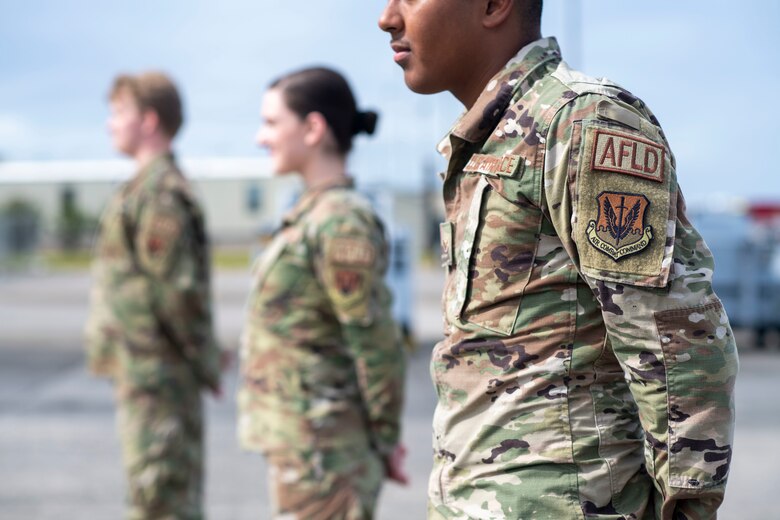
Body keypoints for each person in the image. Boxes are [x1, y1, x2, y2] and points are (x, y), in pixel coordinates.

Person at [379, 1, 738, 518]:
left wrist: (688, 506)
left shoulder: (582, 122)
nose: (388, 18)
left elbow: (675, 337)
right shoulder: (491, 138)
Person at [238, 67, 408, 519]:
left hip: (326, 452)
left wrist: (386, 439)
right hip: (307, 446)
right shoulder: (312, 213)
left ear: (313, 128)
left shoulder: (340, 221)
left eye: (272, 123)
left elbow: (374, 342)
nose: (261, 137)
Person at [84, 71, 223, 520]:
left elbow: (176, 292)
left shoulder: (160, 193)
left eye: (118, 112)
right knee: (153, 493)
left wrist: (205, 361)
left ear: (148, 120)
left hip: (160, 377)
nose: (110, 123)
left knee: (162, 498)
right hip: (147, 373)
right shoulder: (143, 188)